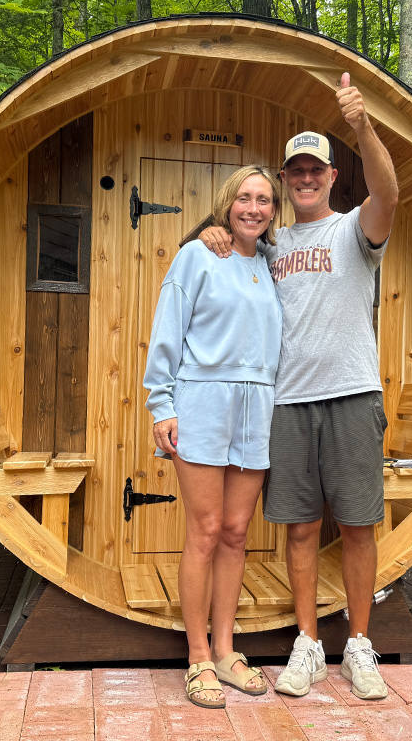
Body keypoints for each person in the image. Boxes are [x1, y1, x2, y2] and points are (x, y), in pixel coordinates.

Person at [199, 72, 399, 700]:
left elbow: (389, 191)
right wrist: (211, 231)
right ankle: (307, 644)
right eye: (297, 171)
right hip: (286, 404)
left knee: (359, 525)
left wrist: (362, 125)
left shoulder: (356, 229)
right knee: (301, 528)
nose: (306, 178)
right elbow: (228, 244)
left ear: (333, 176)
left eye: (317, 169)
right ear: (286, 180)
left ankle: (359, 645)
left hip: (352, 395)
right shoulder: (270, 244)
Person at [143, 165, 283, 709]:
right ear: (227, 204)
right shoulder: (197, 256)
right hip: (202, 402)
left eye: (264, 200)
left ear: (274, 211)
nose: (254, 208)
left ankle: (226, 651)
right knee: (204, 529)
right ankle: (197, 656)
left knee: (235, 532)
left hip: (258, 407)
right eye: (245, 198)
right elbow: (167, 331)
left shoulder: (272, 263)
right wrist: (162, 405)